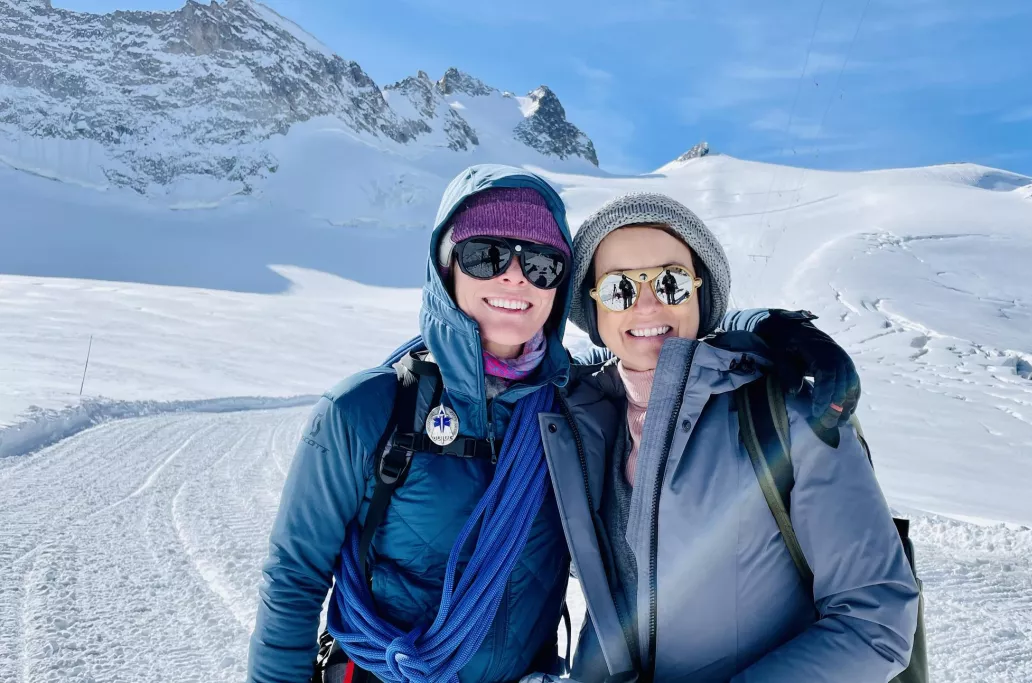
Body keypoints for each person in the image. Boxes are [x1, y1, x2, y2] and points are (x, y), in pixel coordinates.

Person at [543, 193, 920, 683]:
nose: (647, 304)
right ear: (593, 311)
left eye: (672, 282)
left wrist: (773, 326)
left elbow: (875, 623)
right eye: (619, 289)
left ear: (701, 296)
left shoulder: (787, 413)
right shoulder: (580, 419)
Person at [247, 165, 580, 683]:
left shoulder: (575, 408)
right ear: (446, 267)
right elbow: (294, 577)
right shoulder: (366, 408)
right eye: (486, 255)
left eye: (542, 264)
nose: (516, 277)